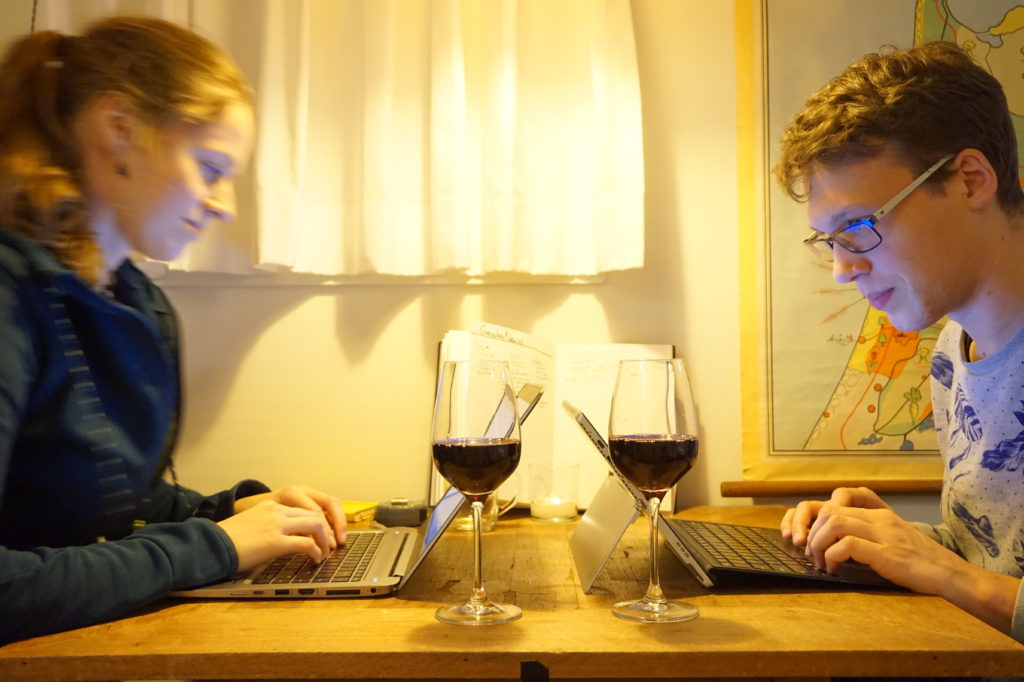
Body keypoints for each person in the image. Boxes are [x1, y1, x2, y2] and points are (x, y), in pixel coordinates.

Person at [0, 16, 346, 644]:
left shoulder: (134, 302)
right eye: (211, 167)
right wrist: (215, 546)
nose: (225, 204)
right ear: (119, 129)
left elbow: (96, 500)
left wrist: (233, 512)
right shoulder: (11, 297)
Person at [774, 40, 1024, 643]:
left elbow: (970, 581)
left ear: (970, 180)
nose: (841, 268)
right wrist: (895, 541)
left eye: (857, 226)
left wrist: (942, 571)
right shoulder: (951, 352)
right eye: (827, 240)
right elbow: (990, 560)